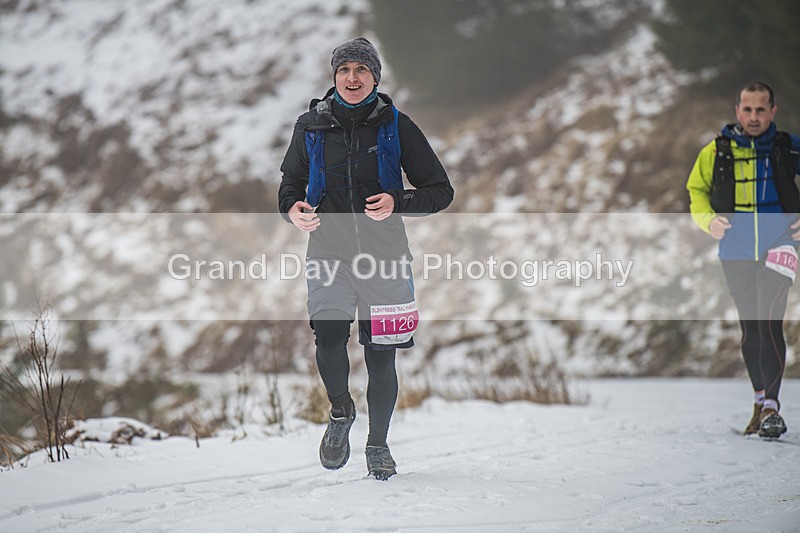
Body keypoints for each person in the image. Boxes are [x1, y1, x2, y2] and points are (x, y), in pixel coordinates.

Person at [278, 37, 453, 478]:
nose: (352, 78)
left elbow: (440, 192)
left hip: (386, 255)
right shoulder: (310, 126)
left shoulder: (397, 125)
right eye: (344, 71)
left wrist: (398, 201)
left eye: (361, 71)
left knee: (380, 354)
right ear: (334, 77)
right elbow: (290, 184)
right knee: (330, 338)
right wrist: (291, 209)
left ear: (375, 77)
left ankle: (378, 446)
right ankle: (340, 411)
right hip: (328, 252)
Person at [687, 81, 800, 439]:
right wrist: (708, 221)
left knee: (769, 320)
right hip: (734, 249)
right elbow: (696, 192)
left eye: (761, 109)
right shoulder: (716, 151)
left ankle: (771, 408)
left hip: (780, 244)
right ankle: (758, 401)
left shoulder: (789, 147)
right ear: (737, 112)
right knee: (751, 330)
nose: (754, 117)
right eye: (747, 109)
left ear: (773, 112)